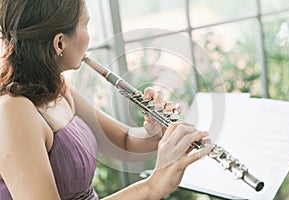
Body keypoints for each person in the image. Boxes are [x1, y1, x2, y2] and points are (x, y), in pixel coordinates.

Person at [0, 0, 212, 199]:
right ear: (60, 42)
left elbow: (124, 140)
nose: (89, 36)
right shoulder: (13, 112)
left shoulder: (56, 89)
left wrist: (155, 133)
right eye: (86, 25)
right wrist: (153, 186)